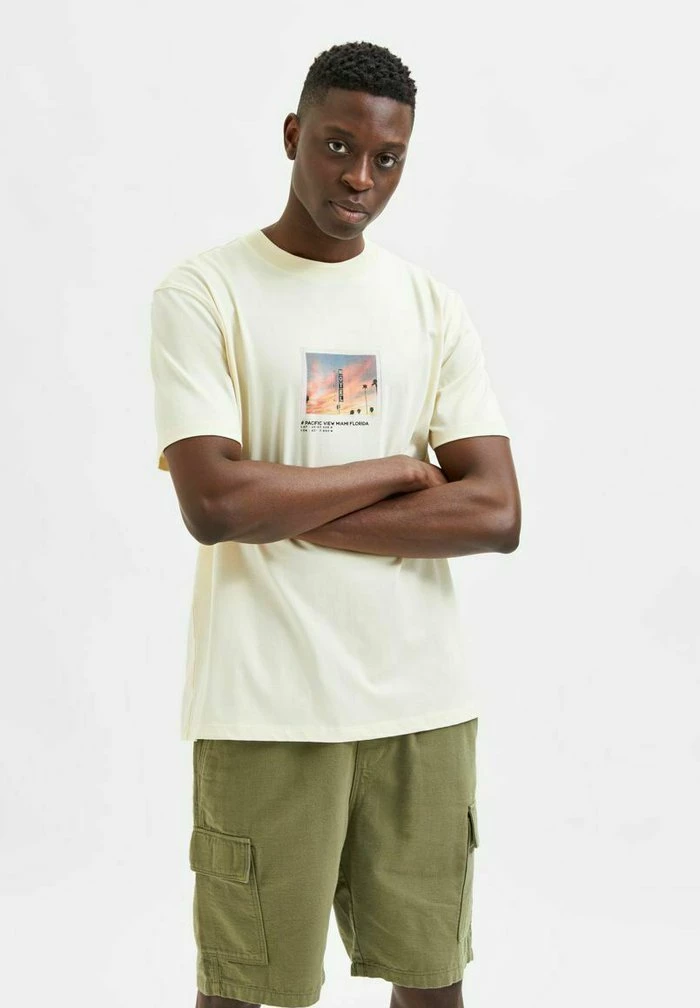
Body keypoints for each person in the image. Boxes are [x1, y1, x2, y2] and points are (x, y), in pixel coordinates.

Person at [149, 39, 521, 1008]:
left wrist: (290, 502)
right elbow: (215, 505)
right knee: (244, 990)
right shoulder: (205, 294)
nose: (360, 177)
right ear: (292, 135)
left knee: (432, 983)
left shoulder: (429, 307)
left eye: (387, 158)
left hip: (421, 707)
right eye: (337, 146)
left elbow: (495, 511)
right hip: (265, 708)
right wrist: (398, 471)